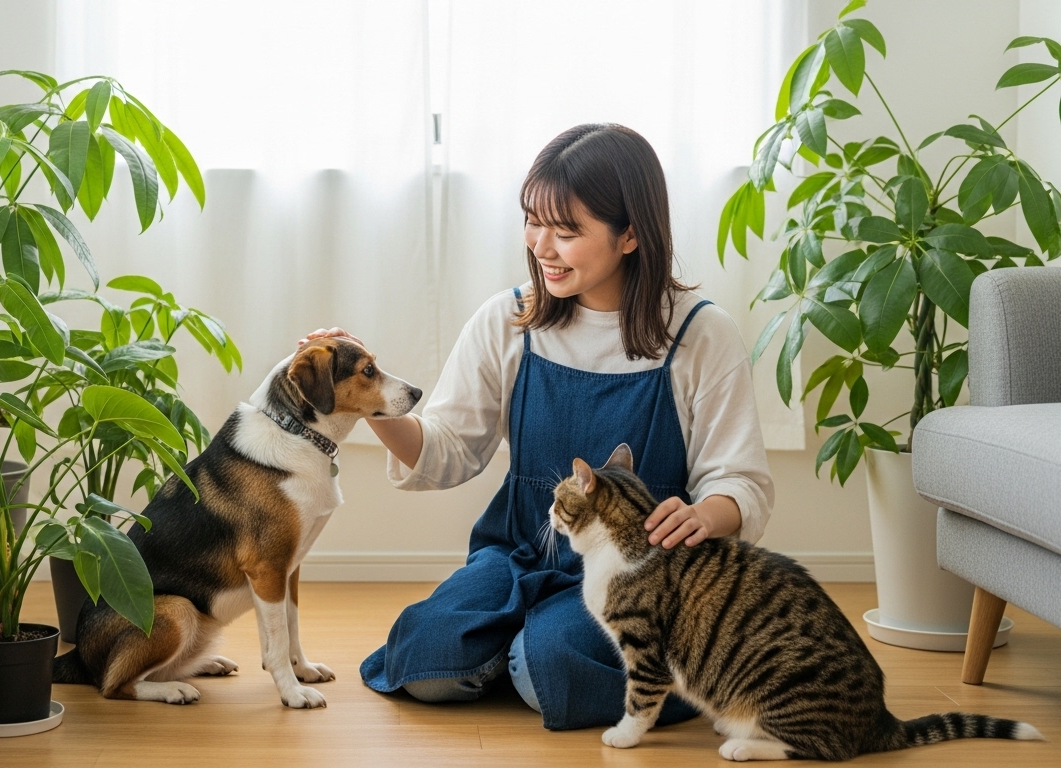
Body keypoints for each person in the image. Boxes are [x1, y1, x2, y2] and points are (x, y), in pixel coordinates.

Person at [303, 123, 774, 731]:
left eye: (566, 231)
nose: (541, 246)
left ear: (631, 234)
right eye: (533, 221)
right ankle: (520, 643)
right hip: (523, 546)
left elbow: (741, 481)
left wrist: (706, 514)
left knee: (546, 664)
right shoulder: (509, 319)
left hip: (642, 574)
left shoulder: (701, 335)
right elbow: (445, 449)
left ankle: (558, 655)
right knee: (424, 657)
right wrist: (368, 398)